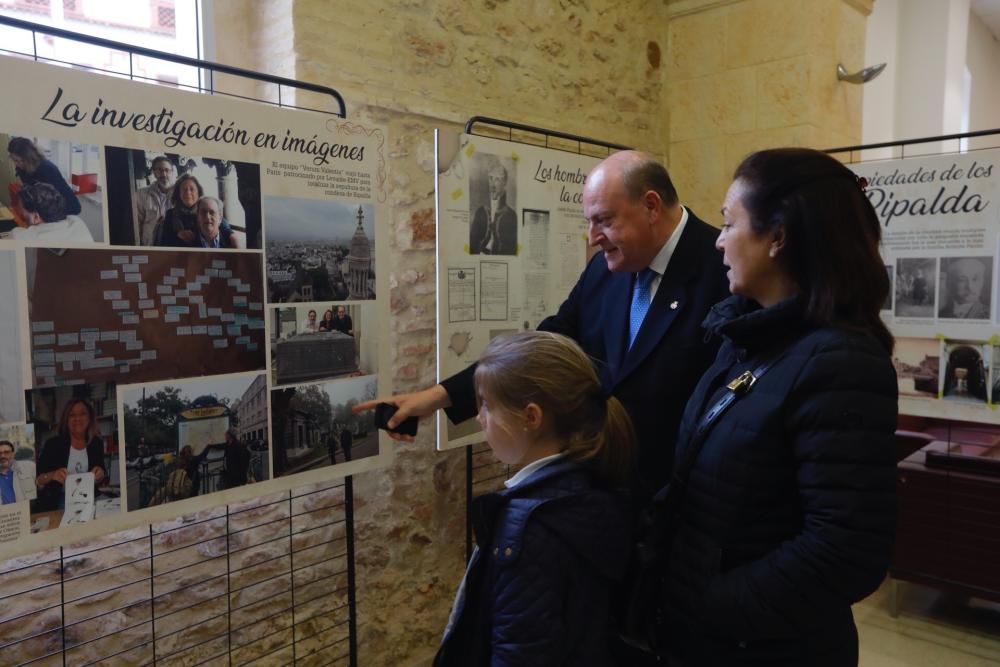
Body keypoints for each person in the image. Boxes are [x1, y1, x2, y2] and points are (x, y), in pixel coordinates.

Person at [359, 151, 729, 498]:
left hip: (684, 495)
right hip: (607, 489)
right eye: (588, 222)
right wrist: (439, 397)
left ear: (650, 206)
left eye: (604, 220)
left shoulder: (723, 269)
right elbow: (549, 343)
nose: (592, 237)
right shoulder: (606, 267)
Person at [654, 148, 897, 665]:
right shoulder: (745, 339)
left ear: (778, 237)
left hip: (764, 647)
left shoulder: (841, 362)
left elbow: (845, 550)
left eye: (728, 223)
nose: (718, 241)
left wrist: (711, 608)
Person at [434, 331, 633, 667]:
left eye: (486, 405)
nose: (480, 417)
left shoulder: (527, 527)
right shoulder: (589, 484)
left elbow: (519, 649)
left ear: (531, 417)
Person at [35, 399, 107, 512]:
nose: (77, 419)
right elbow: (37, 480)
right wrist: (52, 475)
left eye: (83, 414)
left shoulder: (96, 443)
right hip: (59, 502)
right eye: (72, 415)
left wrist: (101, 474)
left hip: (90, 499)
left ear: (90, 417)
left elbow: (103, 473)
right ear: (66, 420)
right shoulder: (53, 444)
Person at [8, 137, 81, 216]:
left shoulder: (47, 169)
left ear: (30, 157)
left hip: (67, 207)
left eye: (22, 160)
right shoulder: (22, 168)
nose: (18, 164)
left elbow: (53, 200)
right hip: (46, 205)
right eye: (15, 160)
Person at [11, 182, 94, 243]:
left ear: (36, 217)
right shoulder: (77, 221)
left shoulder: (20, 237)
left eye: (23, 216)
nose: (23, 218)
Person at [469, 161, 517, 255]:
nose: (493, 184)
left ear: (504, 184)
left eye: (497, 179)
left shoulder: (511, 215)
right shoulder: (480, 212)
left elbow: (512, 250)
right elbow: (472, 243)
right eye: (491, 178)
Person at [135, 156, 175, 246]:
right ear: (153, 172)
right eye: (160, 170)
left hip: (173, 243)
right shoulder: (142, 193)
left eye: (167, 170)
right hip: (150, 245)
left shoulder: (180, 193)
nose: (164, 174)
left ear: (172, 172)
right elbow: (137, 223)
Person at [159, 173, 203, 247]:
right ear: (178, 193)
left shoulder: (205, 211)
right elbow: (164, 243)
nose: (188, 192)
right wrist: (177, 235)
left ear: (198, 192)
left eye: (192, 189)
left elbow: (221, 223)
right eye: (184, 189)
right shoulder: (170, 214)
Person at [0, 440, 35, 505]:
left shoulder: (30, 467)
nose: (2, 456)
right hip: (5, 514)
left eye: (6, 452)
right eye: (0, 453)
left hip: (29, 511)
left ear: (13, 454)